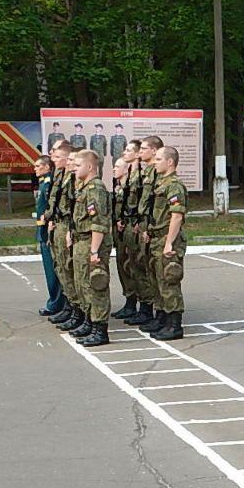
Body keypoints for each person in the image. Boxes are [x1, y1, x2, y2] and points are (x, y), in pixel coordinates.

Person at [142, 145, 188, 340]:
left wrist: (169, 243)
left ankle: (174, 325)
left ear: (170, 162)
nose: (155, 162)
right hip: (157, 236)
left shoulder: (174, 185)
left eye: (159, 159)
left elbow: (176, 216)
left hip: (167, 238)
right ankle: (164, 319)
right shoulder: (161, 183)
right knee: (159, 281)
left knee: (169, 281)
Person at [69, 149, 113, 346]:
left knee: (96, 285)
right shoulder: (84, 188)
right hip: (82, 240)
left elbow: (99, 223)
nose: (74, 169)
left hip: (92, 242)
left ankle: (100, 329)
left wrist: (94, 251)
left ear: (89, 167)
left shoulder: (95, 189)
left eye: (77, 166)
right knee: (83, 285)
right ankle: (90, 322)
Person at [125, 135, 164, 328]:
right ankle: (147, 308)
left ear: (155, 151)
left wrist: (147, 226)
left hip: (150, 227)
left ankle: (153, 310)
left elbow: (153, 204)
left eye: (144, 149)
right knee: (141, 267)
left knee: (152, 270)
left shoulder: (155, 173)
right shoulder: (145, 172)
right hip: (140, 225)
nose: (141, 152)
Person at [48, 140, 83, 332]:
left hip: (69, 227)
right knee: (62, 268)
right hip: (59, 225)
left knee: (71, 270)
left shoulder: (74, 180)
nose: (64, 162)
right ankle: (70, 306)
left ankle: (78, 310)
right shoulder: (60, 176)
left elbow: (73, 208)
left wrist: (70, 229)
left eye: (62, 157)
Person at [113, 140, 144, 320]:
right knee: (124, 265)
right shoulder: (123, 185)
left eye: (128, 150)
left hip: (133, 228)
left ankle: (142, 305)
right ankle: (130, 302)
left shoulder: (139, 178)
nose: (125, 152)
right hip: (123, 229)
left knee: (135, 267)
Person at [33, 155, 66, 318]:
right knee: (50, 269)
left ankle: (56, 303)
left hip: (48, 230)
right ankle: (55, 301)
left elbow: (51, 208)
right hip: (43, 229)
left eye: (39, 166)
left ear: (47, 167)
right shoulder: (43, 183)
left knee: (53, 270)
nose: (35, 168)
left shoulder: (48, 183)